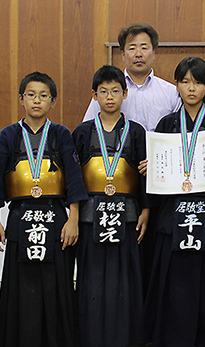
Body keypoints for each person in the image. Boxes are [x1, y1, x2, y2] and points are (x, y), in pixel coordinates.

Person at [142, 57, 205, 347]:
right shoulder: (167, 123)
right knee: (175, 279)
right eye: (185, 82)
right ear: (177, 86)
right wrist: (152, 167)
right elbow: (158, 172)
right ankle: (171, 336)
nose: (191, 88)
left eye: (197, 82)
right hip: (174, 212)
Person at [0, 72, 87, 347]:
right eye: (31, 95)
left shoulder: (60, 134)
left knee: (56, 285)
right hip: (21, 216)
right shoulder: (9, 135)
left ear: (52, 102)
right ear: (21, 99)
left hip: (55, 216)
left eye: (43, 96)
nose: (37, 101)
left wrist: (74, 219)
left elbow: (75, 180)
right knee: (20, 286)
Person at [72, 65, 149, 347]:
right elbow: (73, 178)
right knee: (91, 279)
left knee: (126, 281)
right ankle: (90, 337)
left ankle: (126, 338)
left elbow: (145, 176)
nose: (109, 97)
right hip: (90, 217)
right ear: (94, 96)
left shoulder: (137, 132)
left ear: (125, 94)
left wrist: (146, 210)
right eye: (103, 91)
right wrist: (75, 215)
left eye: (115, 91)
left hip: (127, 216)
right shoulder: (81, 133)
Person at [83, 23, 181, 132]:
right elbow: (88, 128)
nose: (138, 54)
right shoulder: (108, 92)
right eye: (132, 48)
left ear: (153, 53)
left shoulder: (171, 92)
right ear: (123, 55)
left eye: (144, 48)